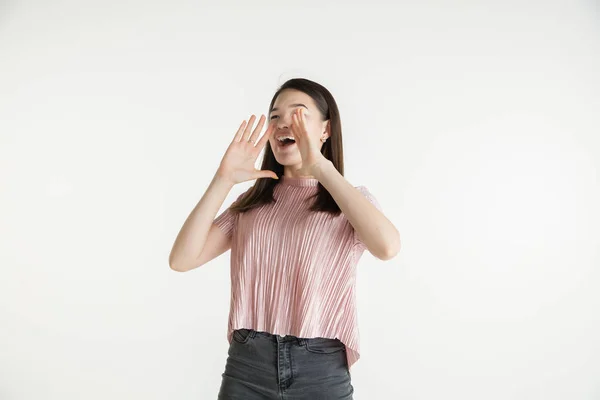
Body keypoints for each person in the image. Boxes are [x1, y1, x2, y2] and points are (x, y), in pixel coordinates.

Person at [168, 78, 401, 399]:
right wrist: (223, 180)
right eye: (275, 116)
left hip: (320, 368)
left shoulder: (348, 201)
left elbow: (387, 247)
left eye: (298, 113)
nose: (282, 124)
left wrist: (321, 167)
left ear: (326, 129)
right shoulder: (252, 203)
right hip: (247, 365)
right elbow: (181, 259)